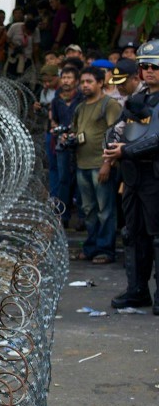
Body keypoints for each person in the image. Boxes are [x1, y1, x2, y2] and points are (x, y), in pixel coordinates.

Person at [105, 41, 159, 313]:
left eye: (154, 66)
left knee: (156, 235)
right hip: (134, 175)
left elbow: (156, 139)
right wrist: (111, 143)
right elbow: (117, 127)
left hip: (154, 176)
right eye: (145, 67)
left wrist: (125, 150)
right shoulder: (138, 99)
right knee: (132, 233)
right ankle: (137, 290)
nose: (149, 71)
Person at [72, 66, 122, 263]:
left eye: (89, 81)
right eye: (83, 82)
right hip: (82, 164)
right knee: (89, 210)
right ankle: (91, 246)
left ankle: (105, 249)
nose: (85, 85)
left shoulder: (109, 105)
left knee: (105, 210)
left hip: (100, 164)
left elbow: (115, 134)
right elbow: (76, 131)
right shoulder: (80, 107)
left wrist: (107, 163)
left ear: (101, 83)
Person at [49, 65, 83, 227]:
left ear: (76, 81)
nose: (66, 81)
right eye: (64, 78)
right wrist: (58, 132)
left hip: (81, 143)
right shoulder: (56, 101)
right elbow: (54, 120)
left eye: (69, 78)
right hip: (62, 144)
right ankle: (63, 216)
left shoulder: (82, 99)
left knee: (80, 180)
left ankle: (82, 218)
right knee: (63, 180)